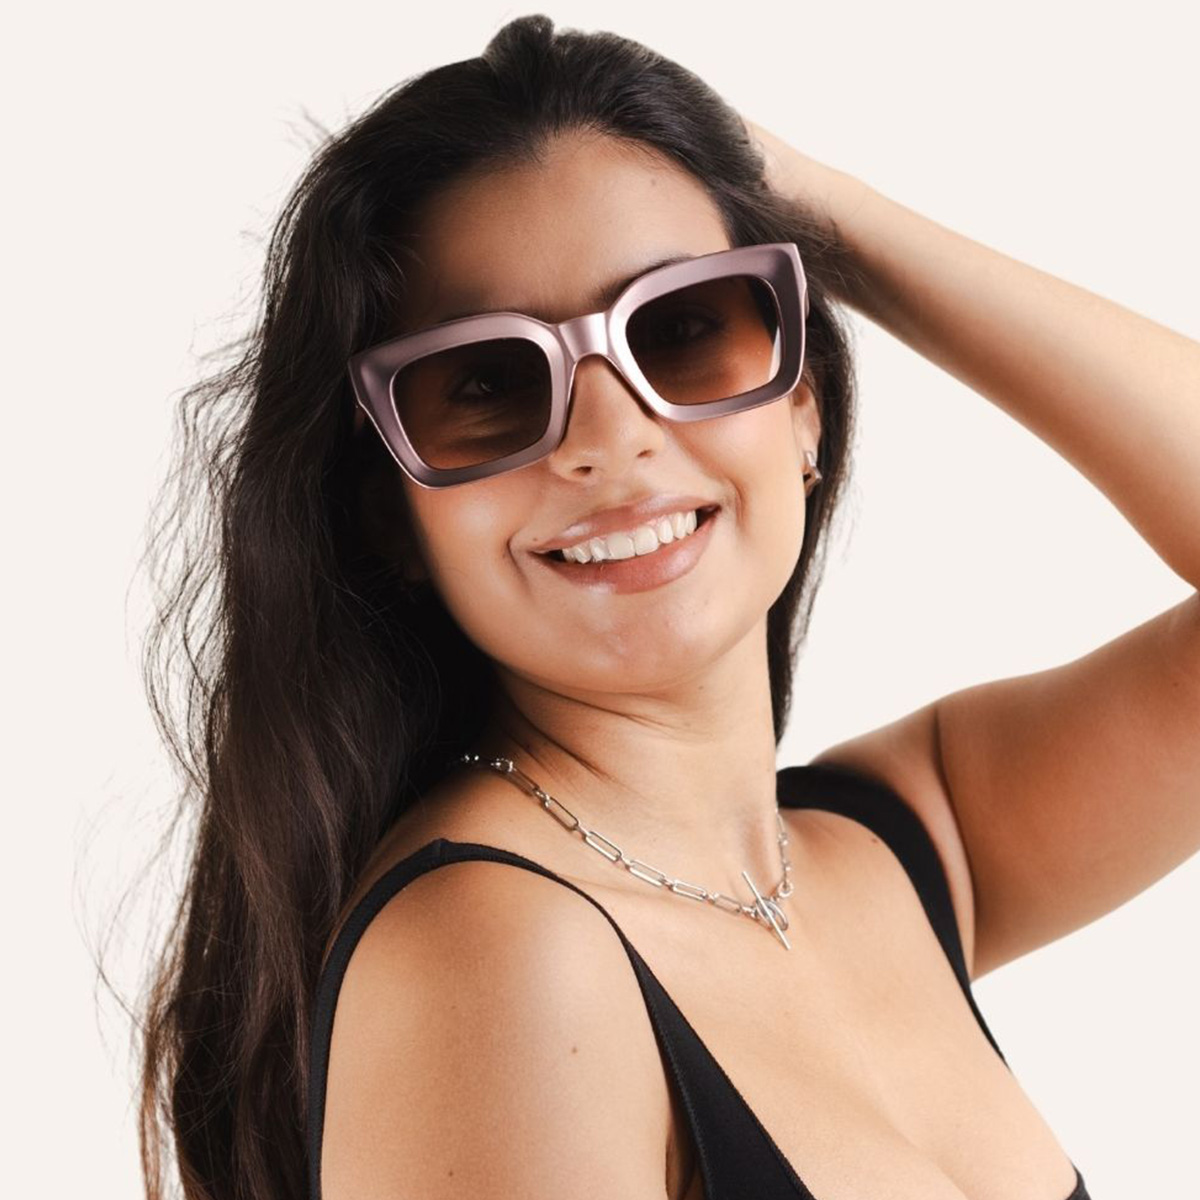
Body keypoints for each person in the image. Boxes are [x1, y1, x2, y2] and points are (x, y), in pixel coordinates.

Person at [135, 13, 1200, 1200]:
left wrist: (820, 207)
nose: (609, 437)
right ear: (392, 513)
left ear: (804, 406)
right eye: (488, 382)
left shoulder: (894, 851)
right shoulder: (500, 954)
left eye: (687, 327)